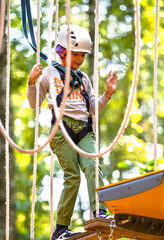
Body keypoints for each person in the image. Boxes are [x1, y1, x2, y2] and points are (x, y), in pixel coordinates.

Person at [27, 24, 118, 240]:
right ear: (62, 51)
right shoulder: (50, 73)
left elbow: (93, 107)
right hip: (62, 130)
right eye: (75, 54)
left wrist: (108, 93)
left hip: (84, 130)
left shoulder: (84, 78)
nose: (79, 59)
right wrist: (32, 82)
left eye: (82, 56)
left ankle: (100, 212)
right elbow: (35, 103)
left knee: (93, 165)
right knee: (73, 177)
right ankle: (60, 230)